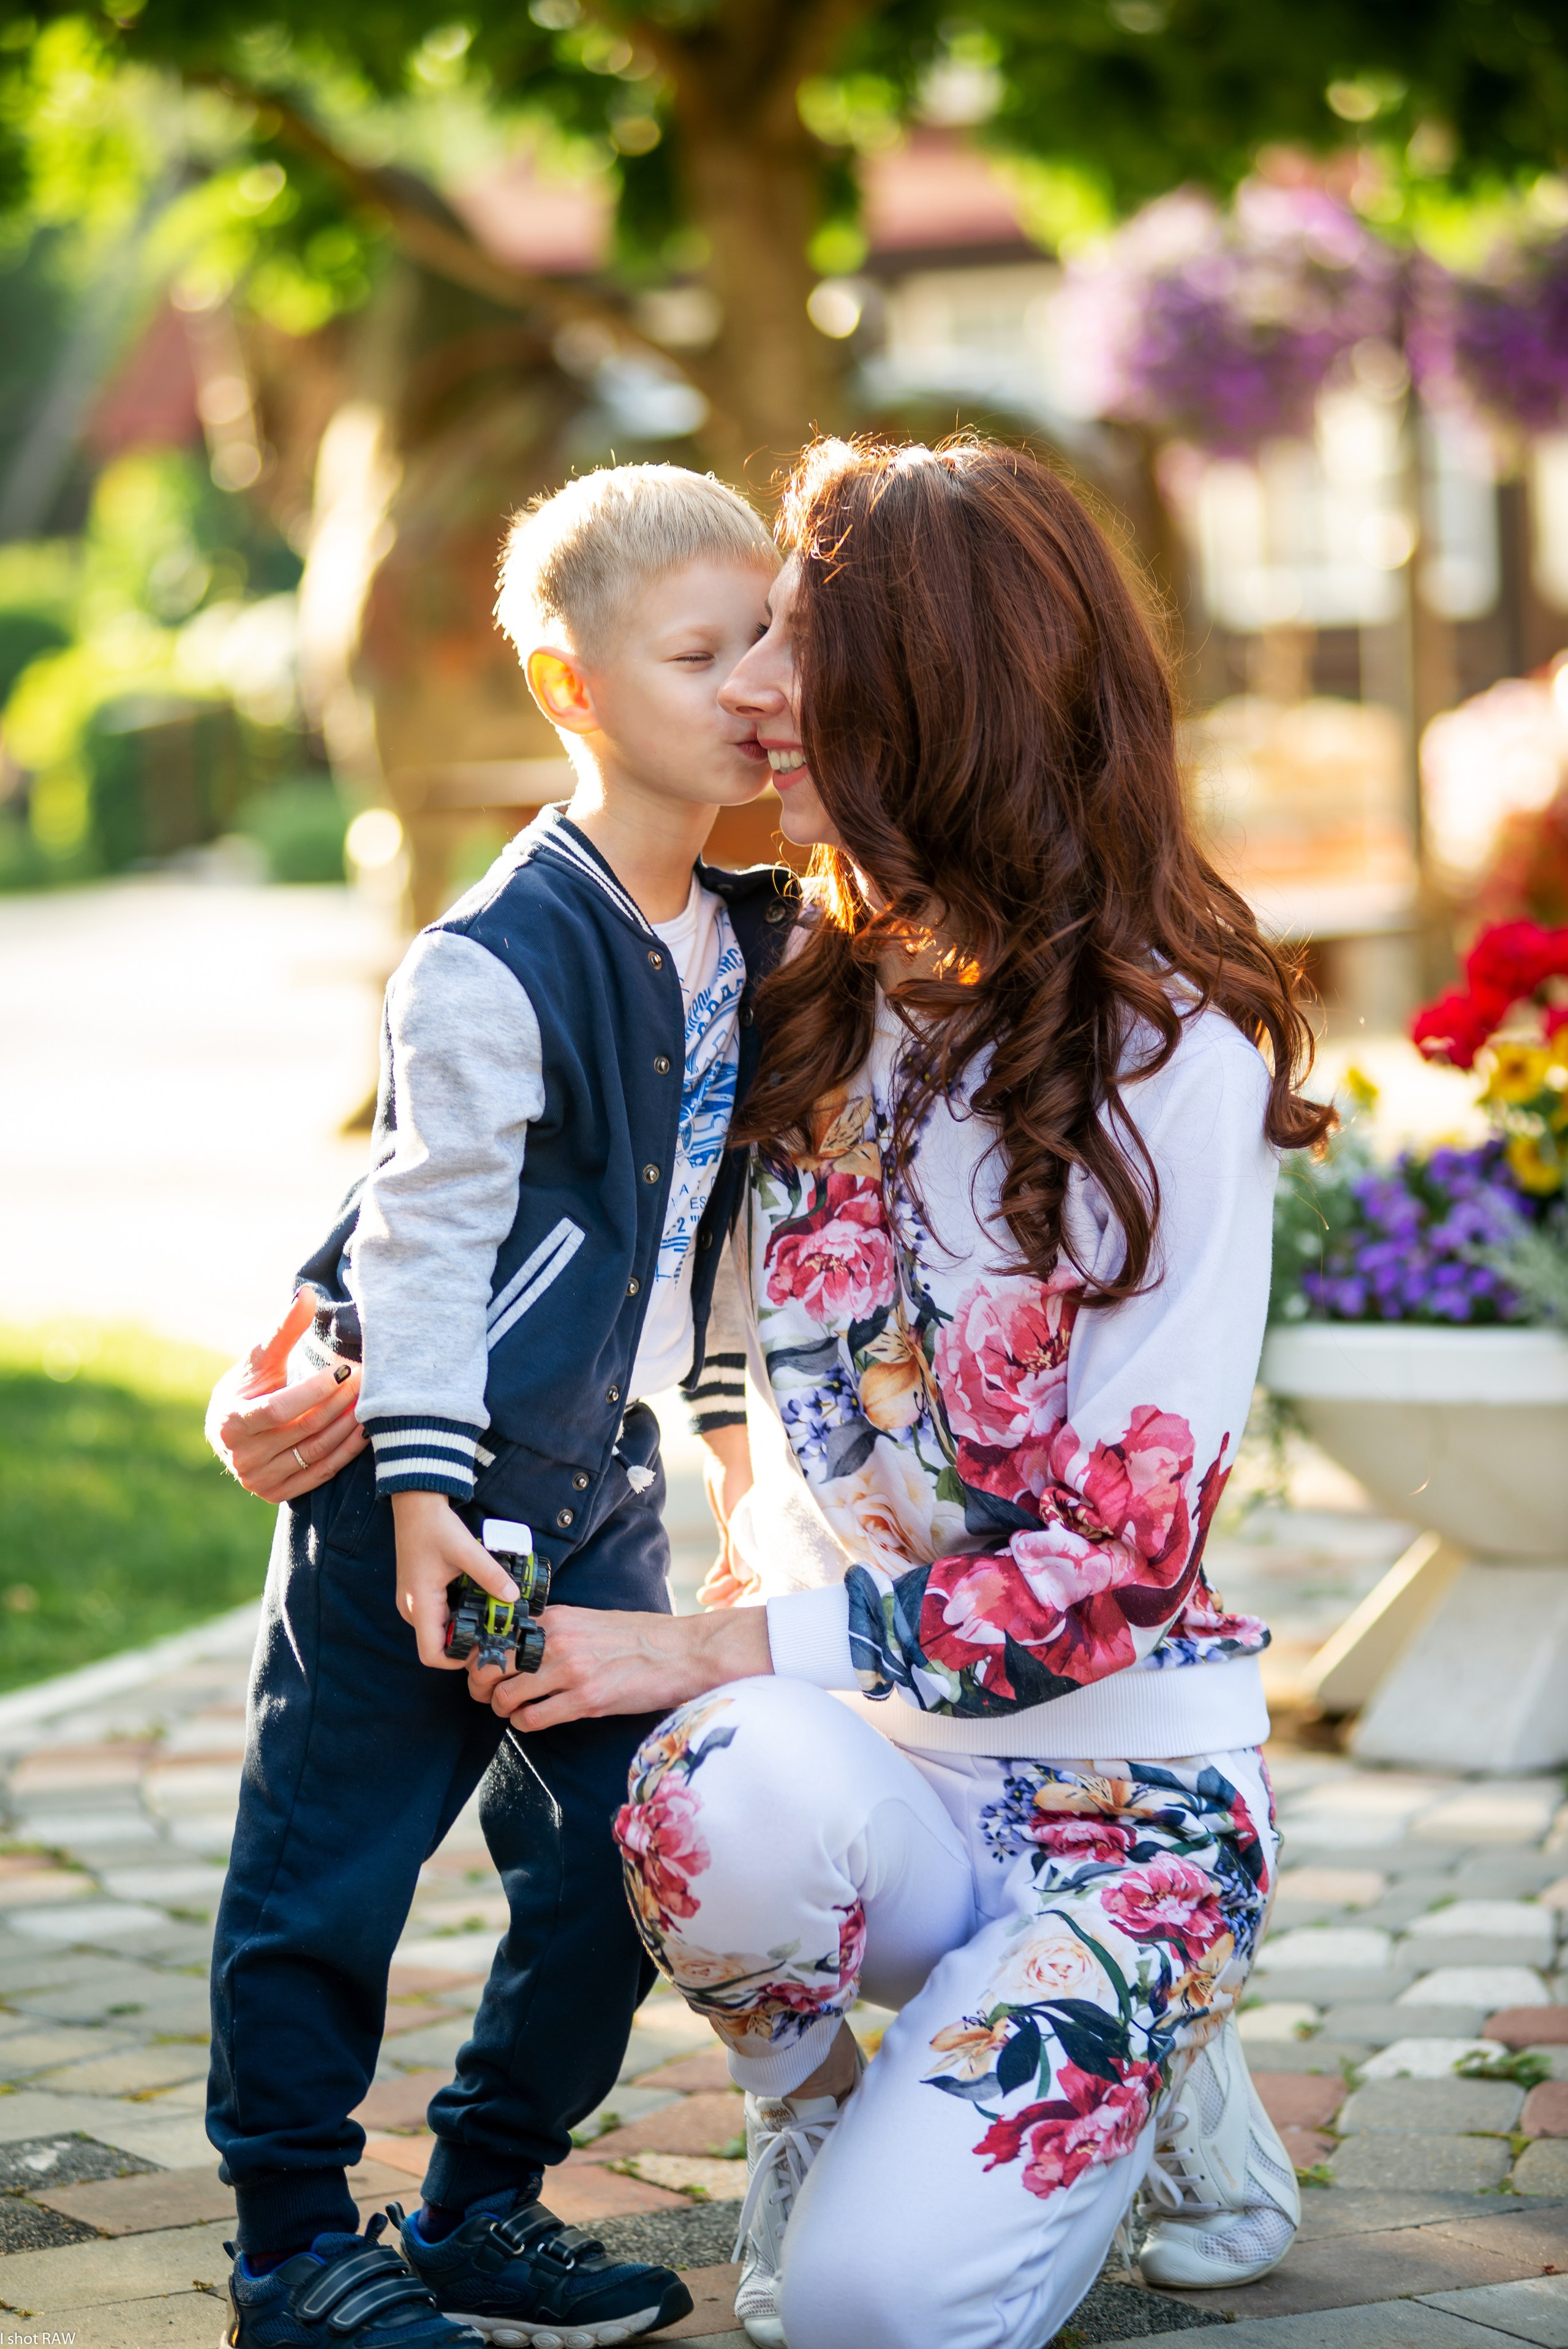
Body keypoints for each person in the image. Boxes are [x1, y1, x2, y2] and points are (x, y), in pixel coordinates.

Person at [434, 434, 1334, 2349]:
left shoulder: (1174, 1050)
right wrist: (322, 1353)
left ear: (938, 698)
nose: (755, 686)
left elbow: (1118, 1554)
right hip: (873, 1782)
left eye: (799, 643)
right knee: (706, 1801)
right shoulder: (797, 985)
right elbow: (493, 1147)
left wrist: (719, 1636)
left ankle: (1148, 2046)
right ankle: (826, 2110)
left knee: (871, 2322)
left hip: (1125, 1789)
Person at [205, 462, 789, 2349]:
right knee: (330, 1870)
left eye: (769, 637)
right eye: (700, 651)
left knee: (622, 1854)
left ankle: (476, 2197)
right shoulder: (489, 952)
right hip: (420, 1506)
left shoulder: (755, 940)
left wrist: (722, 1440)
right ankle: (294, 2242)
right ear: (571, 686)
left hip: (585, 1510)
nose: (754, 682)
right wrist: (417, 1495)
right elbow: (429, 1227)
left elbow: (704, 1219)